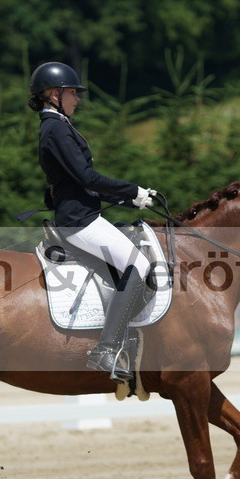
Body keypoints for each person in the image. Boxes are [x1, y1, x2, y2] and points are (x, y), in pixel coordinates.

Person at [28, 61, 157, 383]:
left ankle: (124, 341)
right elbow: (86, 176)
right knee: (139, 268)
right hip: (79, 221)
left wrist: (127, 199)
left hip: (84, 214)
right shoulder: (56, 128)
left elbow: (80, 182)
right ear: (53, 94)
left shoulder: (59, 125)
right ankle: (106, 350)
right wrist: (132, 190)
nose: (77, 98)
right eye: (72, 92)